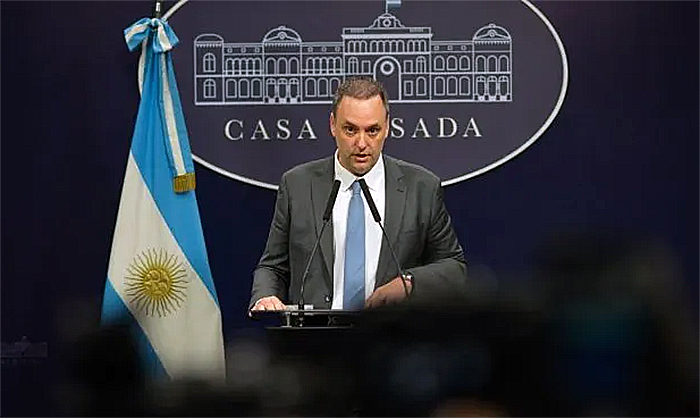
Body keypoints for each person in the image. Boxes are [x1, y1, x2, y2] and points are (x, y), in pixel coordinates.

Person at [250, 77, 467, 311]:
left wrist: (408, 283)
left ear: (387, 127)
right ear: (333, 125)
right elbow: (273, 267)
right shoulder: (297, 185)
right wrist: (265, 296)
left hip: (389, 330)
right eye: (350, 130)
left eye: (372, 130)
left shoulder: (421, 187)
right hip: (316, 331)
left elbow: (454, 268)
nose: (361, 143)